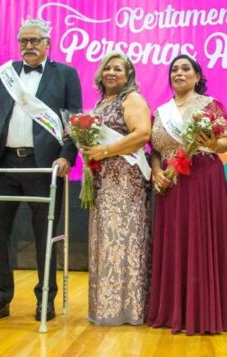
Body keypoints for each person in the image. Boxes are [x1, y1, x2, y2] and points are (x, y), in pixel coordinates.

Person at [0, 18, 82, 324]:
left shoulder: (66, 74)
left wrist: (67, 156)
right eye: (24, 41)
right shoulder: (5, 74)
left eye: (35, 40)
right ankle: (0, 297)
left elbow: (74, 121)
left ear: (48, 44)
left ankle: (45, 297)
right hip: (6, 163)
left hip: (44, 166)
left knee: (44, 235)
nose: (29, 46)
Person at [146, 54, 227, 335]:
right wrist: (156, 172)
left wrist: (212, 141)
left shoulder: (209, 106)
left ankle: (203, 312)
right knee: (175, 242)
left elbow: (226, 142)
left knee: (200, 239)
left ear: (197, 76)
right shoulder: (161, 112)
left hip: (201, 178)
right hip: (169, 183)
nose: (179, 73)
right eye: (174, 69)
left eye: (186, 69)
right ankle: (173, 311)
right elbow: (155, 151)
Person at [80, 51, 151, 326]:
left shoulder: (131, 98)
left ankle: (129, 309)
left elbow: (142, 134)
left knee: (123, 239)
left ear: (128, 74)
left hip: (125, 180)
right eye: (107, 68)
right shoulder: (101, 103)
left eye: (118, 69)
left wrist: (105, 150)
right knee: (106, 240)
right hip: (103, 180)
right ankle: (105, 306)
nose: (111, 73)